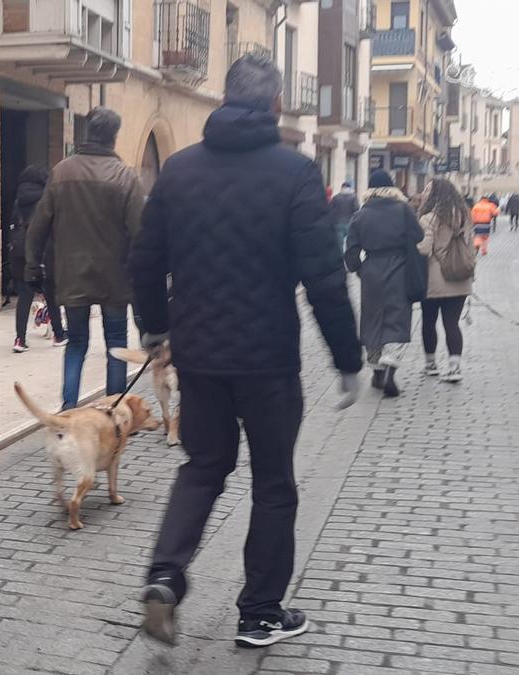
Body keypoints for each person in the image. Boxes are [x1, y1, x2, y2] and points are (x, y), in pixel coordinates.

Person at [131, 55, 362, 648]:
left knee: (203, 466)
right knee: (274, 483)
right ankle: (260, 613)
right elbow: (324, 276)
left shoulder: (179, 170)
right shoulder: (295, 173)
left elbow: (145, 260)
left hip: (199, 355)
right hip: (268, 361)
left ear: (222, 99)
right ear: (277, 105)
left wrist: (155, 330)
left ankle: (165, 576)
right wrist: (347, 358)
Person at [27, 107, 145, 410]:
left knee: (77, 343)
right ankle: (113, 411)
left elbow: (38, 225)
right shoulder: (126, 177)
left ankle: (69, 409)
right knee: (116, 344)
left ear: (88, 132)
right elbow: (139, 232)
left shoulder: (61, 172)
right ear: (114, 136)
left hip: (72, 274)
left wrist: (33, 265)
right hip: (115, 278)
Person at [346, 169, 424, 398]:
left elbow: (351, 250)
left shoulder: (360, 215)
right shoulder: (404, 210)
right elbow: (418, 238)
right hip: (400, 268)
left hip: (371, 270)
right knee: (397, 318)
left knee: (372, 318)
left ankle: (377, 371)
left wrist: (358, 269)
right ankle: (390, 366)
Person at [417, 179, 473, 383]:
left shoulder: (429, 218)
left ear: (435, 195)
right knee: (452, 323)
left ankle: (431, 364)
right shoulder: (464, 217)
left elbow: (424, 249)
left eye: (427, 189)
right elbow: (470, 247)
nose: (423, 193)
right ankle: (454, 367)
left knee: (429, 321)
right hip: (460, 278)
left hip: (434, 280)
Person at [9, 165, 66, 352]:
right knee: (50, 293)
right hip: (40, 252)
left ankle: (20, 339)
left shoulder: (18, 200)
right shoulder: (45, 198)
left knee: (24, 296)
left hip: (19, 251)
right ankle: (58, 334)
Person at [329, 180, 359, 252]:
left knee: (340, 243)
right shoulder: (353, 197)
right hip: (350, 223)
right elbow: (357, 209)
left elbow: (330, 210)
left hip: (338, 223)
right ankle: (348, 255)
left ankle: (341, 256)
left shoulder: (336, 198)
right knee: (350, 242)